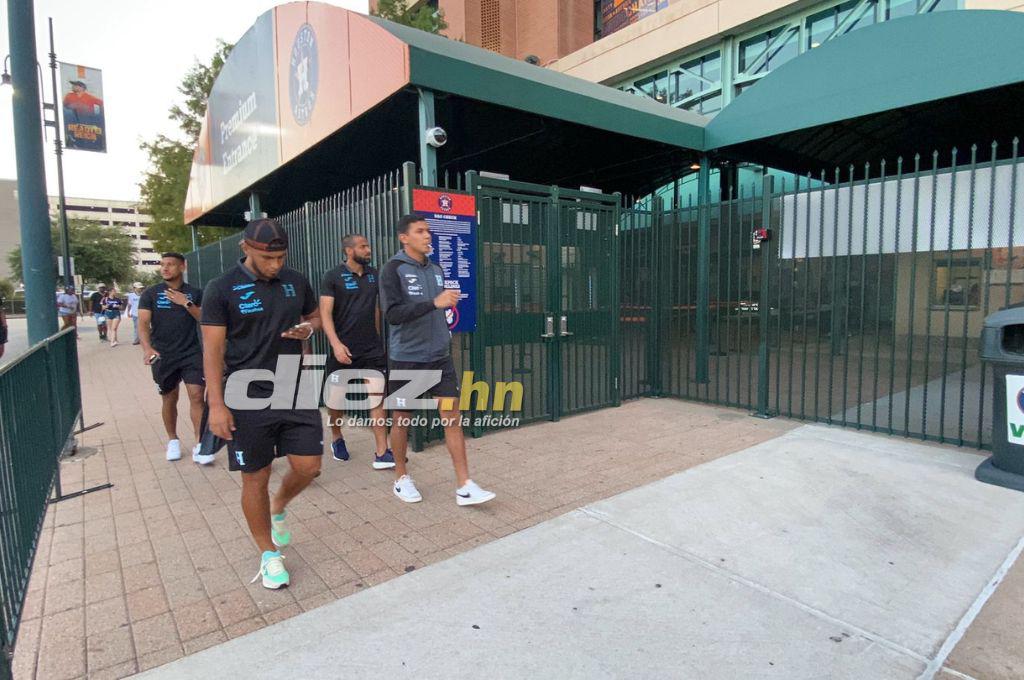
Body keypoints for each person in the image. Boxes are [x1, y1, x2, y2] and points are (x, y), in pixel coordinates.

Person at [201, 219, 322, 590]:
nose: (275, 265)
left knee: (309, 467)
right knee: (256, 475)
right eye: (268, 258)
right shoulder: (221, 289)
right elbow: (213, 350)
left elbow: (314, 315)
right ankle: (269, 554)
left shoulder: (295, 281)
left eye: (281, 257)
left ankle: (279, 505)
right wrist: (218, 406)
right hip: (245, 391)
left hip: (293, 383)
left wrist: (310, 329)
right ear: (246, 249)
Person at [379, 215, 495, 506]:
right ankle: (401, 478)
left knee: (452, 419)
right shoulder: (392, 270)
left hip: (439, 358)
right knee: (402, 420)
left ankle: (464, 485)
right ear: (404, 237)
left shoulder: (436, 269)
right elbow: (392, 315)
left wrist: (441, 311)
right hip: (407, 358)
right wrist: (434, 303)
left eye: (428, 231)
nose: (427, 236)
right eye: (420, 231)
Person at [320, 234, 394, 469]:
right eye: (363, 246)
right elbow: (324, 314)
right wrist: (335, 344)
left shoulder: (374, 275)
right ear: (349, 251)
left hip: (371, 348)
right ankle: (337, 437)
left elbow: (374, 308)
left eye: (368, 245)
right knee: (336, 399)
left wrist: (376, 336)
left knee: (378, 398)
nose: (368, 249)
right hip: (344, 349)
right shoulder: (332, 277)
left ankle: (382, 452)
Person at [139, 253, 211, 465]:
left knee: (197, 395)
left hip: (191, 353)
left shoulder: (195, 293)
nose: (165, 268)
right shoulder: (150, 294)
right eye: (162, 265)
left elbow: (205, 318)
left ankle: (200, 443)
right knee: (169, 397)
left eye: (170, 264)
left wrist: (186, 303)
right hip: (163, 354)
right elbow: (143, 323)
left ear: (183, 266)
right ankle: (173, 440)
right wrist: (147, 348)